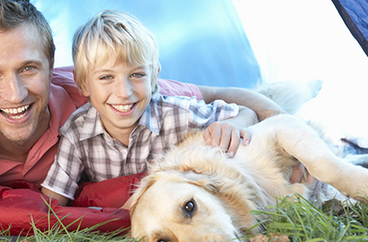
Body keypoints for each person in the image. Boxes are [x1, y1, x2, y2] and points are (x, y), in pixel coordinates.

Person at [0, 0, 284, 191]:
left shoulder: (102, 93)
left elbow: (219, 94)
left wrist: (278, 135)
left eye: (28, 68)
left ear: (51, 65)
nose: (15, 93)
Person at [40, 10, 259, 206]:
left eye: (137, 75)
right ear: (83, 84)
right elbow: (53, 201)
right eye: (106, 77)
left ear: (154, 77)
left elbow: (245, 112)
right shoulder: (77, 133)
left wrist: (233, 124)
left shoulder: (176, 114)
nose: (124, 92)